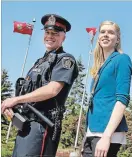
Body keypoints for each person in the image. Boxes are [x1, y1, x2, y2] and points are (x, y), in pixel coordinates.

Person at [1, 14, 78, 157]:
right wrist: (14, 107)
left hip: (43, 126)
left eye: (55, 33)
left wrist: (17, 100)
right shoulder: (40, 62)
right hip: (26, 125)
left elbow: (53, 89)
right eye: (47, 32)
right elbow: (28, 93)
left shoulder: (65, 60)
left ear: (63, 38)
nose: (50, 36)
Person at [81, 21, 132, 157]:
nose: (105, 35)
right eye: (102, 32)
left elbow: (122, 99)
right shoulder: (99, 66)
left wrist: (107, 136)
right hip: (93, 131)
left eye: (110, 32)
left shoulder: (122, 59)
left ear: (118, 38)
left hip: (107, 133)